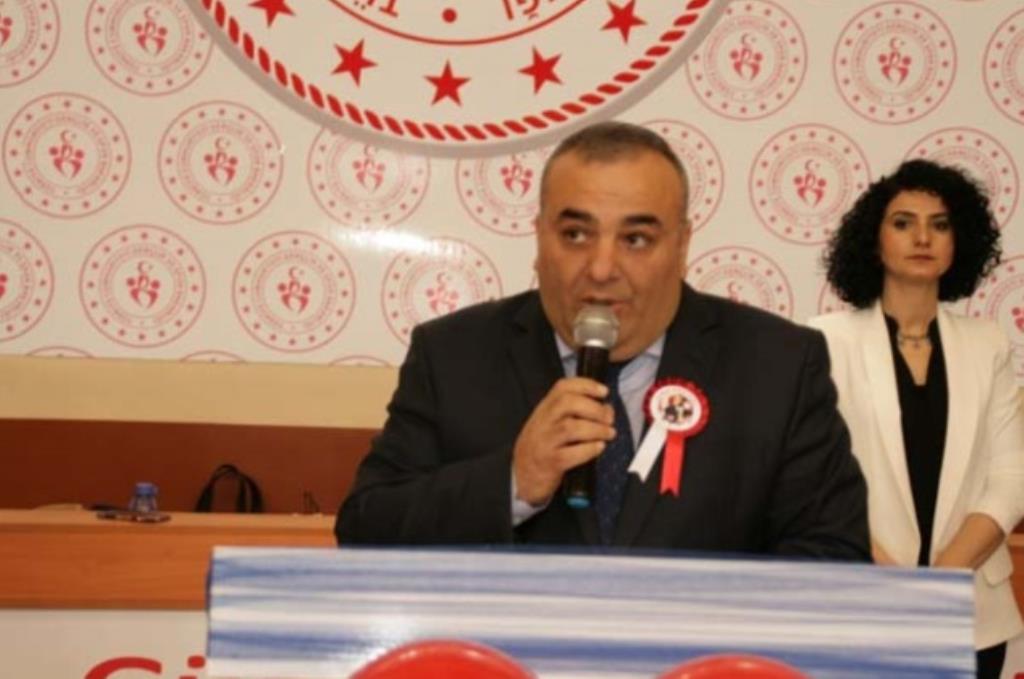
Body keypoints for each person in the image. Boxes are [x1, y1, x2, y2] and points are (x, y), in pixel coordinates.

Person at [337, 121, 869, 560]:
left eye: (636, 239)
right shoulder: (453, 354)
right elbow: (365, 527)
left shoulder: (779, 366)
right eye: (575, 234)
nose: (601, 268)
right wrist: (513, 481)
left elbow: (834, 556)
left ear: (682, 245)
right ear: (539, 237)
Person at [808, 159, 1024, 677]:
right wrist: (898, 585)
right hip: (860, 607)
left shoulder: (989, 343)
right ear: (874, 241)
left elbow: (1011, 477)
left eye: (940, 224)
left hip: (970, 614)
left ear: (958, 242)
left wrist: (940, 581)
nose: (922, 237)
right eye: (903, 223)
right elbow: (815, 481)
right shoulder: (824, 341)